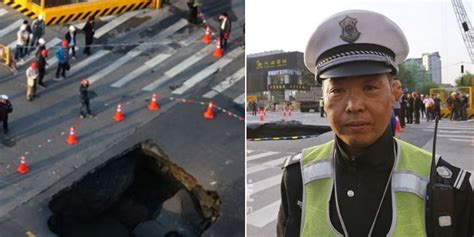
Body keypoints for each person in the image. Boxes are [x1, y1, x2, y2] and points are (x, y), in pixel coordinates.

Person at [277, 9, 473, 237]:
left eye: (370, 87)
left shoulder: (448, 187)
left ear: (394, 94)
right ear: (324, 100)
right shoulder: (297, 178)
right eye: (337, 90)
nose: (354, 105)